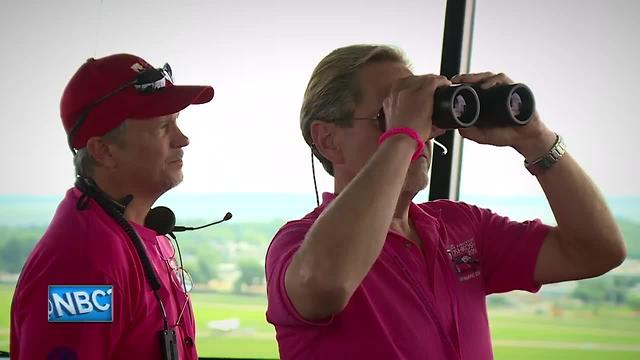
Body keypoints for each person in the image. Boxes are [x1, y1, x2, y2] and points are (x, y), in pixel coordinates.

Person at [264, 44, 627, 359]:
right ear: (327, 140)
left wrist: (535, 139)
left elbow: (597, 250)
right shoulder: (298, 245)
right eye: (387, 115)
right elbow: (326, 284)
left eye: (424, 116)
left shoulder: (461, 227)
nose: (423, 134)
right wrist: (403, 135)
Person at [10, 53, 214, 359]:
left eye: (176, 123)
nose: (182, 139)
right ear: (103, 151)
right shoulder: (83, 261)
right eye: (162, 127)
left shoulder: (135, 235)